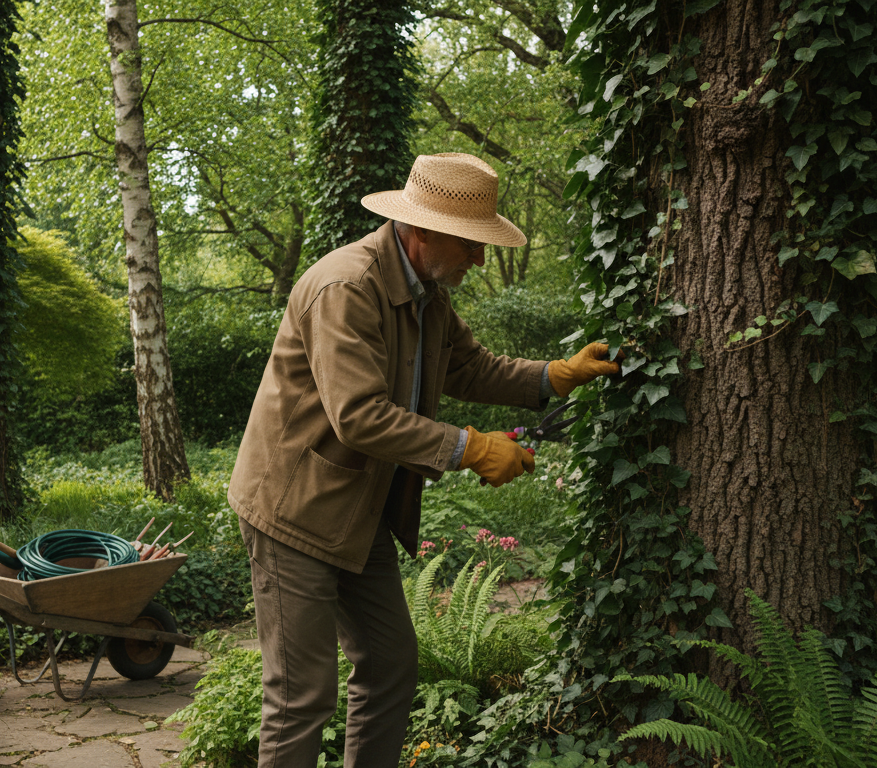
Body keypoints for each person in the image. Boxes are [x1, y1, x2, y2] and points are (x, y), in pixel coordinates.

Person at [227, 152, 619, 768]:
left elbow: (468, 366)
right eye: (472, 244)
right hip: (294, 512)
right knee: (299, 696)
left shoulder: (425, 292)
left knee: (388, 665)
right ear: (425, 230)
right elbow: (356, 415)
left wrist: (555, 375)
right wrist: (470, 447)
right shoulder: (347, 287)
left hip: (359, 508)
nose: (481, 258)